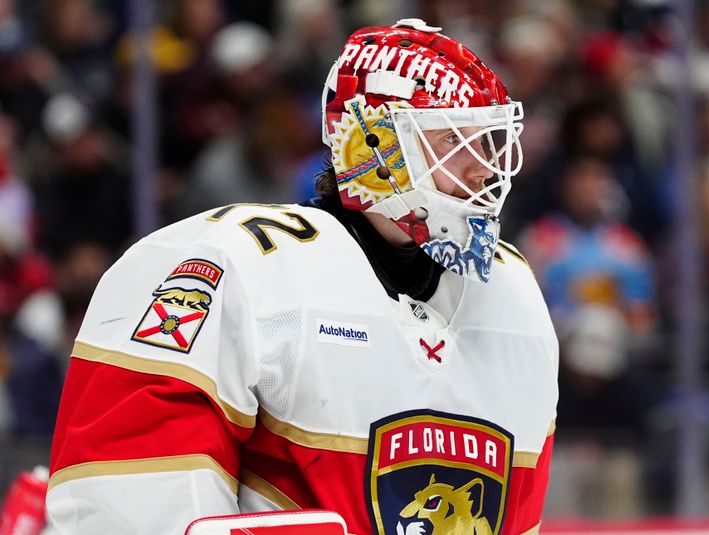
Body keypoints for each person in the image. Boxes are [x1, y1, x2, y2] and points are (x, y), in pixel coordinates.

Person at [46, 18, 559, 535]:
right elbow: (129, 495)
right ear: (376, 149)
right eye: (454, 140)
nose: (484, 170)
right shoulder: (242, 262)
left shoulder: (513, 290)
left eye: (488, 143)